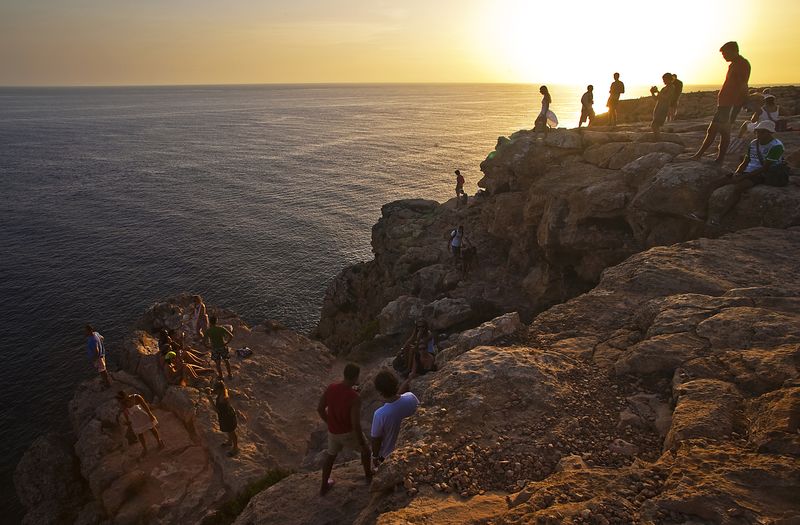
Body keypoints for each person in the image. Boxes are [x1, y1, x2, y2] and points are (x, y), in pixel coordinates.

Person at [690, 120, 788, 226]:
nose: (758, 134)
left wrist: (744, 177)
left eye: (762, 132)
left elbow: (765, 168)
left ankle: (719, 217)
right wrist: (737, 173)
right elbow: (746, 161)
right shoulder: (754, 143)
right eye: (757, 131)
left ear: (769, 133)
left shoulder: (776, 146)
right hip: (748, 171)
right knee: (714, 184)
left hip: (762, 174)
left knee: (738, 188)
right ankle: (702, 211)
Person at [690, 41, 751, 164]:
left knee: (716, 130)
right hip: (726, 104)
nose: (724, 57)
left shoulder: (741, 64)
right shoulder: (734, 64)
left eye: (725, 54)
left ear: (734, 51)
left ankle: (702, 155)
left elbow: (743, 84)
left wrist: (743, 101)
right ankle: (717, 158)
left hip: (730, 104)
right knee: (723, 131)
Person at [316, 364, 372, 495]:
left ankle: (324, 485)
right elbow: (355, 424)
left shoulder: (331, 388)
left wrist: (330, 422)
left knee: (330, 456)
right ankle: (369, 476)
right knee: (366, 451)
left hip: (333, 432)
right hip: (348, 433)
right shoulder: (354, 397)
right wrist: (362, 443)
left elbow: (320, 409)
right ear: (356, 377)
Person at [370, 370, 419, 465]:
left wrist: (375, 457)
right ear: (396, 383)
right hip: (413, 447)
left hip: (390, 456)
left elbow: (376, 440)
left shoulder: (380, 414)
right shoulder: (411, 397)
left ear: (380, 391)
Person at [116, 390, 165, 457]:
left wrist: (150, 415)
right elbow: (125, 413)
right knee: (140, 434)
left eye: (122, 399)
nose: (122, 401)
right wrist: (128, 421)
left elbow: (145, 406)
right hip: (134, 420)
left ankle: (159, 441)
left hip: (143, 416)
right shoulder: (123, 404)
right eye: (120, 401)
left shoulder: (136, 397)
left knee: (152, 429)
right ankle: (145, 448)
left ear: (125, 395)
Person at [210, 380, 242, 457]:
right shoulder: (224, 390)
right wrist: (210, 391)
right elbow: (216, 392)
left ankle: (235, 448)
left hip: (227, 416)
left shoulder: (222, 399)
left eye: (215, 389)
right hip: (227, 415)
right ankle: (229, 442)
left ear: (219, 389)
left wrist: (210, 400)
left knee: (231, 431)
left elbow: (217, 410)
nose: (214, 391)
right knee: (229, 430)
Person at [650, 73, 675, 138]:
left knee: (654, 125)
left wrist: (658, 91)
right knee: (655, 125)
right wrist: (652, 93)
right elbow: (656, 99)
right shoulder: (664, 88)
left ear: (669, 79)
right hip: (658, 108)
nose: (663, 81)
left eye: (665, 79)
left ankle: (658, 138)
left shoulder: (672, 87)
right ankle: (657, 138)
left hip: (663, 109)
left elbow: (667, 98)